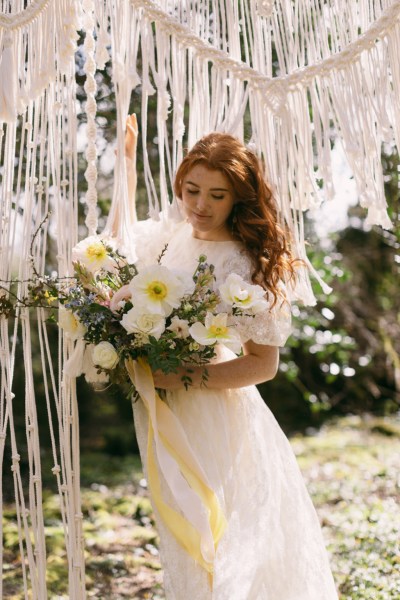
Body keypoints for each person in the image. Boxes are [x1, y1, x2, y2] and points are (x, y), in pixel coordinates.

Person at [123, 120, 338, 599]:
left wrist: (185, 376)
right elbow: (120, 247)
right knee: (180, 527)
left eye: (217, 196)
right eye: (192, 189)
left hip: (214, 413)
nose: (200, 206)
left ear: (238, 197)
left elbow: (263, 364)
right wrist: (125, 163)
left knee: (221, 536)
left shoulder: (244, 262)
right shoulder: (169, 236)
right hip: (162, 407)